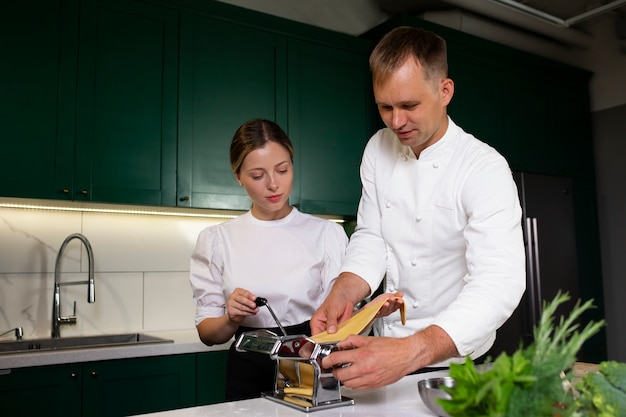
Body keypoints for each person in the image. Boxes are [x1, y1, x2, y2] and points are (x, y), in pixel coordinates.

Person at [310, 26, 526, 390]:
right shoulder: (378, 148)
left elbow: (499, 283)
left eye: (409, 105)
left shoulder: (483, 168)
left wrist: (412, 351)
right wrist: (343, 290)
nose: (396, 122)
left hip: (458, 364)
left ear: (445, 91)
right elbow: (372, 236)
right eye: (385, 107)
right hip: (384, 353)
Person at [189, 118, 348, 400]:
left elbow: (340, 322)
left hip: (308, 362)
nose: (274, 184)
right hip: (246, 368)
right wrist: (231, 317)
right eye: (257, 175)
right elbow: (208, 333)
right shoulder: (217, 239)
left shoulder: (327, 234)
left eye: (282, 170)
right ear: (238, 176)